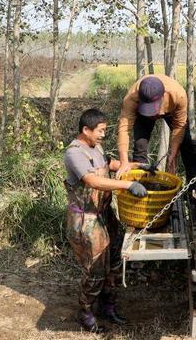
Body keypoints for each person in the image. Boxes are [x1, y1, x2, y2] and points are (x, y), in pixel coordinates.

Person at [64, 108, 150, 333]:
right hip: (86, 220)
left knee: (114, 263)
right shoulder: (75, 153)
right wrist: (128, 185)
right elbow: (92, 180)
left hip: (105, 215)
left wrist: (133, 166)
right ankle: (86, 313)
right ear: (86, 130)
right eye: (100, 131)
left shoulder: (95, 146)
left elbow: (108, 164)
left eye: (105, 130)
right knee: (95, 270)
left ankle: (108, 307)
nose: (103, 135)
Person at [115, 74, 196, 207]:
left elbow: (179, 127)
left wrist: (173, 154)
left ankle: (194, 191)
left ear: (163, 96)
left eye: (153, 108)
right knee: (140, 147)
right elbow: (124, 129)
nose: (154, 115)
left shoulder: (178, 95)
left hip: (171, 109)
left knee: (187, 145)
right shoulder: (132, 98)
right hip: (141, 114)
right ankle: (140, 192)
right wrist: (124, 162)